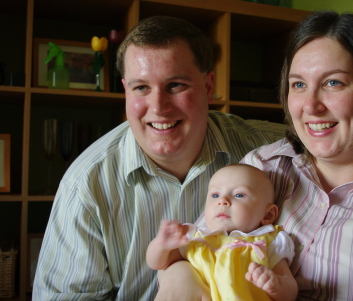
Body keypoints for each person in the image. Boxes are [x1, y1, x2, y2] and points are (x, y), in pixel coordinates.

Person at [166, 11, 353, 300]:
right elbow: (198, 246)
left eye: (333, 83)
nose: (311, 106)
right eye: (299, 85)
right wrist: (179, 275)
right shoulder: (263, 166)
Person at [32, 16, 286, 300]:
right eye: (141, 88)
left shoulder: (271, 148)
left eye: (175, 85)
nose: (158, 107)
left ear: (208, 84)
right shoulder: (86, 185)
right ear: (126, 89)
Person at [147, 164, 297, 301]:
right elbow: (159, 264)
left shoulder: (268, 241)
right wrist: (162, 245)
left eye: (239, 195)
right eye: (215, 195)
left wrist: (275, 284)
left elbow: (290, 289)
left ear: (268, 214)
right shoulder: (195, 236)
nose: (222, 201)